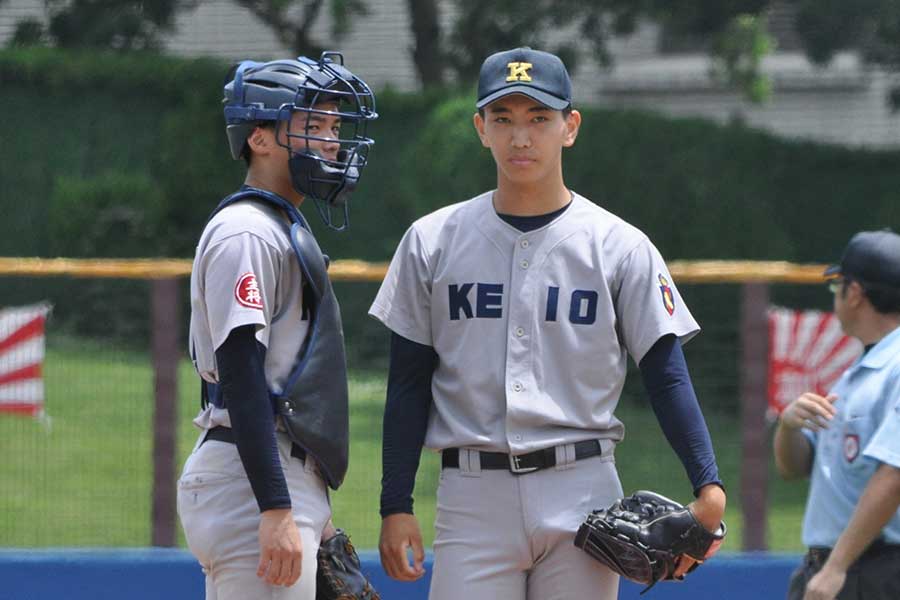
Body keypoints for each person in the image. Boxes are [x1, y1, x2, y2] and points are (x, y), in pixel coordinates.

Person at [368, 47, 726, 600]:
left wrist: (709, 485)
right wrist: (396, 504)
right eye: (503, 119)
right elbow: (408, 383)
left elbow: (665, 373)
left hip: (582, 490)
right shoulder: (432, 240)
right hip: (472, 493)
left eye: (539, 118)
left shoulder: (619, 245)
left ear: (570, 127)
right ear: (480, 128)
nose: (520, 138)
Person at [176, 53, 377, 599]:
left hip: (268, 474)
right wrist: (274, 507)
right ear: (259, 138)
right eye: (313, 125)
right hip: (250, 479)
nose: (333, 141)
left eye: (335, 126)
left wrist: (312, 511)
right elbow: (242, 373)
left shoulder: (276, 223)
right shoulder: (247, 231)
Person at [775, 230, 900, 600]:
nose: (837, 297)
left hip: (871, 571)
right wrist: (787, 426)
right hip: (832, 568)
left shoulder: (895, 366)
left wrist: (836, 568)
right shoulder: (854, 375)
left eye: (838, 286)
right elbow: (794, 467)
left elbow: (894, 476)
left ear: (856, 293)